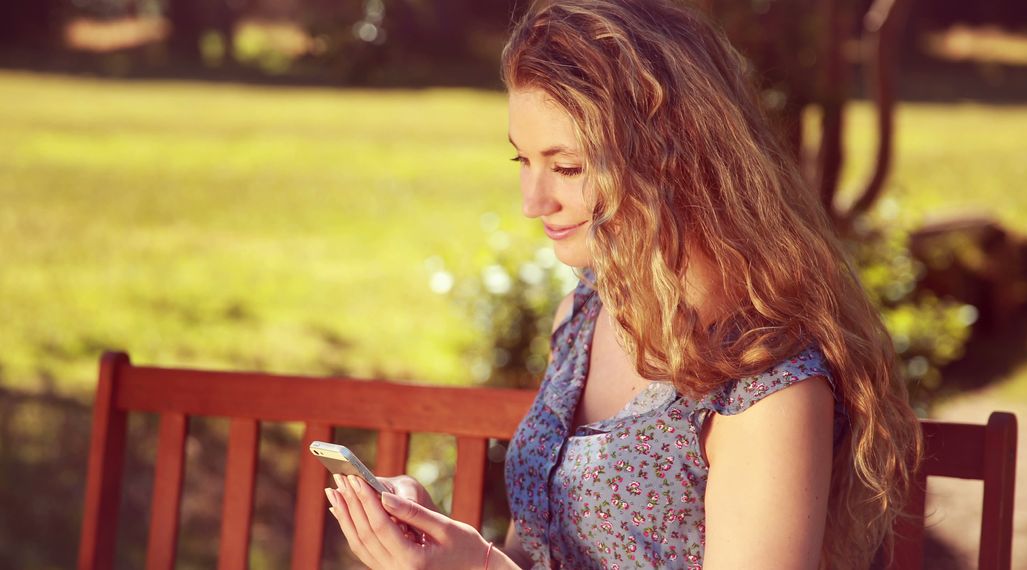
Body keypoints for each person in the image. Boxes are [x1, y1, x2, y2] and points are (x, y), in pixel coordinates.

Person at [323, 0, 924, 568]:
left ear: (673, 157)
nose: (534, 202)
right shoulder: (583, 315)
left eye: (567, 167)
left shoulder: (767, 384)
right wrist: (439, 544)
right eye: (522, 161)